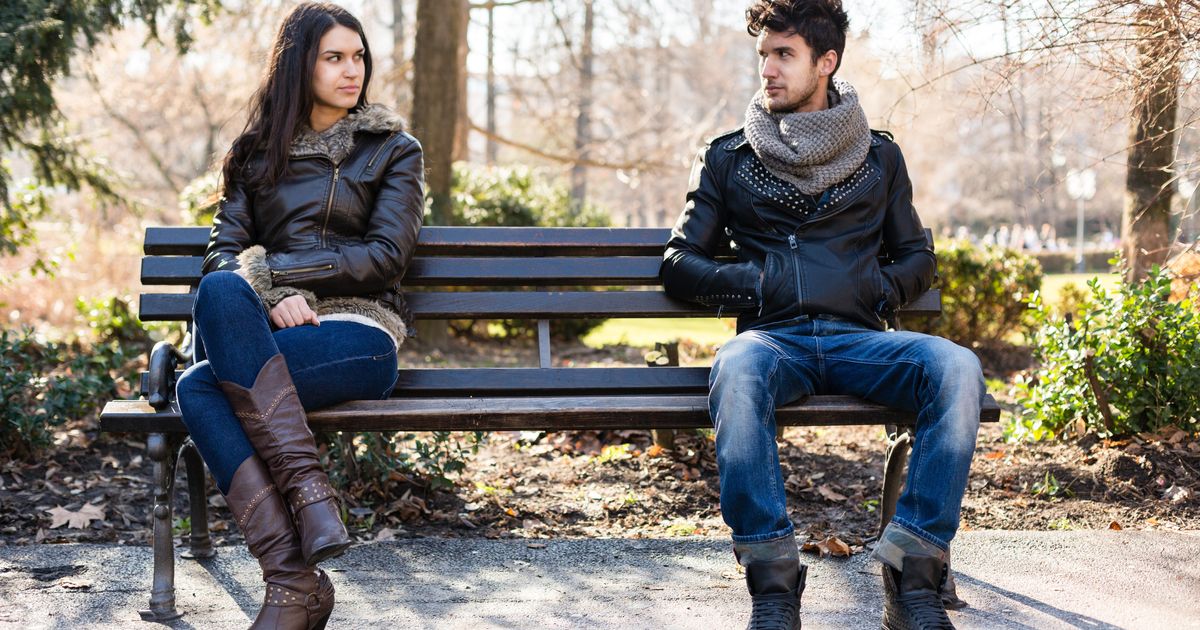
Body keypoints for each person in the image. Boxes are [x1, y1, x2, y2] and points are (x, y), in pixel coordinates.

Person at [660, 1, 984, 628]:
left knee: (956, 367)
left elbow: (917, 256)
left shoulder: (879, 158)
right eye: (764, 56)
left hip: (862, 340)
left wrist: (874, 289)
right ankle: (774, 589)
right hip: (774, 343)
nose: (768, 71)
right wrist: (758, 283)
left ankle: (912, 576)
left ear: (826, 62)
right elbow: (679, 261)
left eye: (784, 55)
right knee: (737, 367)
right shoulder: (729, 158)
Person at [174, 3, 424, 628]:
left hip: (357, 333)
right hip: (265, 336)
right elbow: (221, 257)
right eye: (333, 57)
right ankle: (298, 551)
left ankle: (294, 579)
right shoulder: (256, 154)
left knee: (199, 387)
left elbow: (385, 258)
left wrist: (277, 278)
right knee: (220, 301)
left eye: (358, 56)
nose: (351, 71)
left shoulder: (392, 149)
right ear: (297, 65)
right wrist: (263, 293)